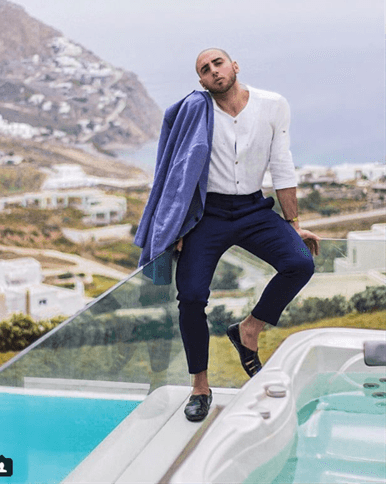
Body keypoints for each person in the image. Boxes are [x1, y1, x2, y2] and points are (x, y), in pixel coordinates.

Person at [135, 48, 320, 422]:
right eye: (205, 69)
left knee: (300, 263)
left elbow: (282, 165)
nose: (214, 71)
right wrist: (178, 226)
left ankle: (248, 330)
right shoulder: (195, 113)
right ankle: (200, 387)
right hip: (208, 216)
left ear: (235, 66)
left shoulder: (272, 105)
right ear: (201, 82)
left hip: (254, 209)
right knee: (189, 297)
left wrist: (295, 225)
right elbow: (178, 173)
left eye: (218, 63)